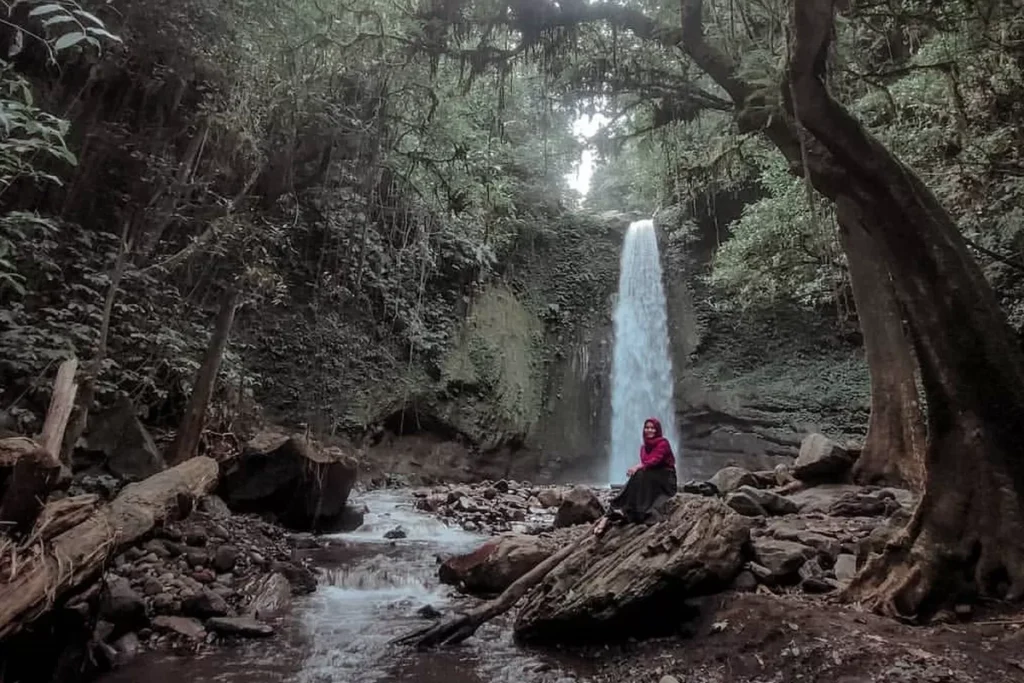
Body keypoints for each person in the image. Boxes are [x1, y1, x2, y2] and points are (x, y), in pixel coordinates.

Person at [594, 417, 678, 536]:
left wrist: (638, 466)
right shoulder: (643, 448)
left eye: (652, 428)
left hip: (666, 480)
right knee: (638, 476)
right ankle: (613, 512)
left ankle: (611, 511)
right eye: (647, 428)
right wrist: (639, 468)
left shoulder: (663, 443)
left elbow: (655, 460)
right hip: (650, 480)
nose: (649, 430)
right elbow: (647, 465)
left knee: (639, 474)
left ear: (657, 430)